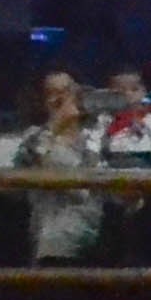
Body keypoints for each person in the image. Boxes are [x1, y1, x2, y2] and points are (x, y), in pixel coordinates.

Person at [12, 68, 103, 263]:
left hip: (97, 232)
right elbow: (20, 171)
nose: (62, 99)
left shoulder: (96, 135)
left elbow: (90, 187)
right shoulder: (35, 136)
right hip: (52, 240)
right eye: (53, 93)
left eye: (68, 90)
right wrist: (55, 126)